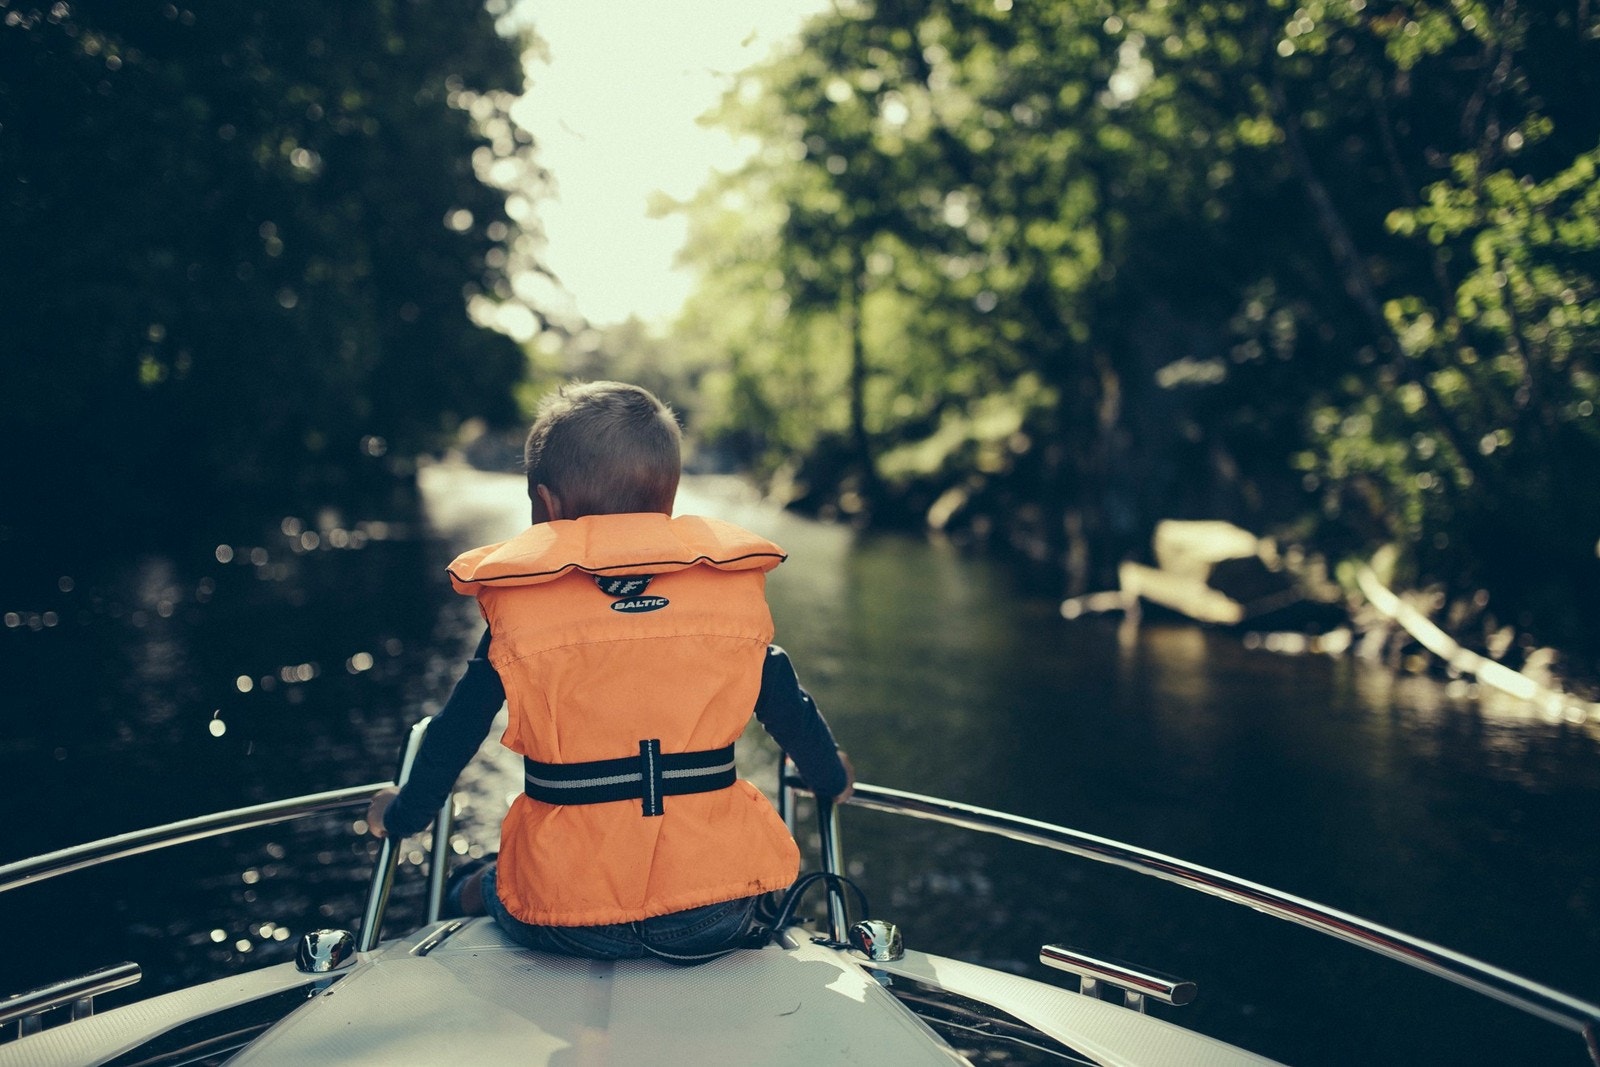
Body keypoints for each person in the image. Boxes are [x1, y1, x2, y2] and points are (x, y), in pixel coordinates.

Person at [367, 380, 852, 964]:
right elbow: (791, 713)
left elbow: (452, 737)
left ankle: (474, 887)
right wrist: (830, 777)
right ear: (666, 505)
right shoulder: (726, 607)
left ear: (547, 505)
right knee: (751, 883)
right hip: (712, 916)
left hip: (568, 919)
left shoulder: (520, 619)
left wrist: (401, 813)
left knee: (479, 884)